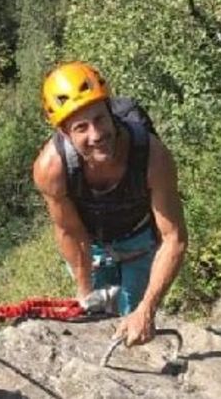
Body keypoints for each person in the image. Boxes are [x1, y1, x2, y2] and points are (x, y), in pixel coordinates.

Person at [32, 61, 187, 347]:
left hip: (140, 239)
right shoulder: (51, 168)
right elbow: (69, 232)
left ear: (111, 111)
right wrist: (84, 290)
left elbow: (173, 238)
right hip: (91, 243)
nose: (96, 135)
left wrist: (146, 310)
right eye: (81, 128)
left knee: (134, 323)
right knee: (97, 322)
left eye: (100, 119)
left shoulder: (152, 156)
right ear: (65, 133)